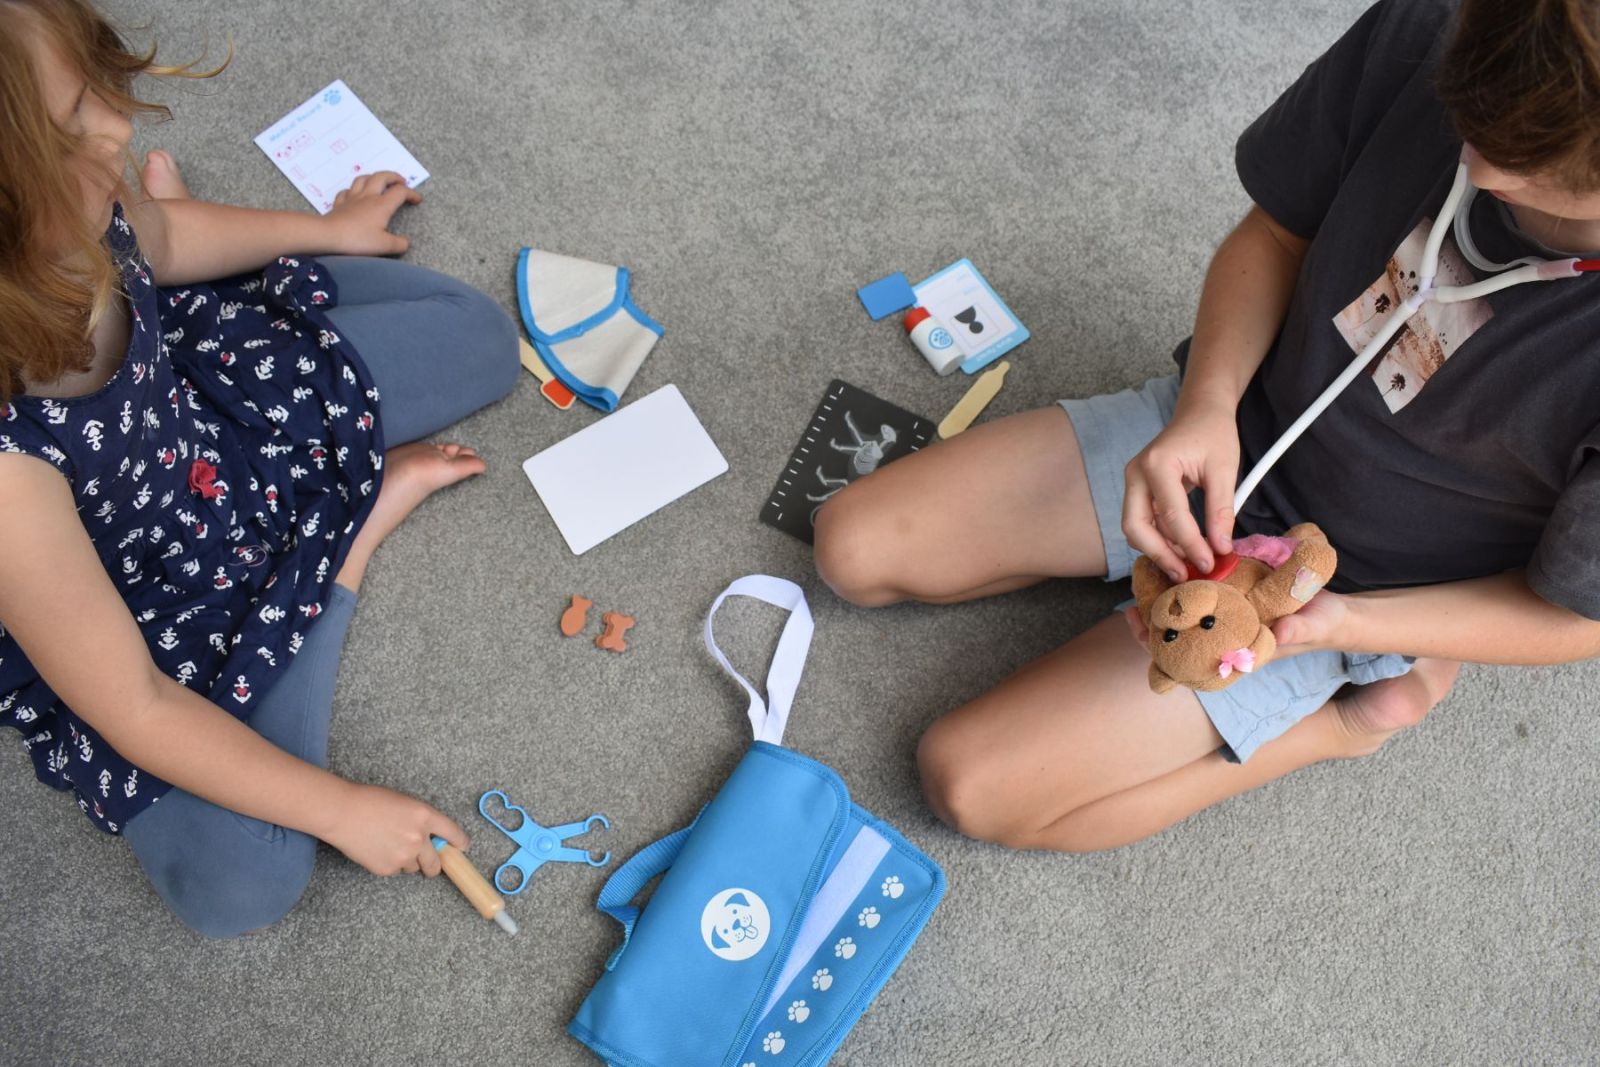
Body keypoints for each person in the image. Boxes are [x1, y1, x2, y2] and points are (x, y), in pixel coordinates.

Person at [814, 0, 1600, 852]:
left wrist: (1342, 626)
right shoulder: (1440, 22)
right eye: (1466, 119)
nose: (1474, 163)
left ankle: (1359, 718)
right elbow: (1274, 231)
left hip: (1357, 587)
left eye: (1526, 165)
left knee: (969, 783)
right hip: (1234, 434)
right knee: (850, 547)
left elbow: (1576, 620)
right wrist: (1204, 411)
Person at [0, 0, 521, 936]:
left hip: (212, 423)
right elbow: (135, 703)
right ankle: (346, 546)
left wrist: (326, 231)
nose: (116, 125)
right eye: (76, 125)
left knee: (478, 339)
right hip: (127, 598)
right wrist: (341, 808)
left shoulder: (86, 202)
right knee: (246, 883)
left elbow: (161, 242)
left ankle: (328, 530)